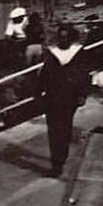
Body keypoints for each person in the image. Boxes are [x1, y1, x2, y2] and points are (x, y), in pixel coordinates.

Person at [40, 24, 86, 176]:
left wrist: (82, 94)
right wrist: (38, 93)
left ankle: (61, 158)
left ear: (70, 38)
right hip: (53, 97)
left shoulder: (78, 53)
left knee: (65, 129)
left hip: (69, 97)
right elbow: (44, 76)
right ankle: (56, 164)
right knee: (53, 130)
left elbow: (83, 75)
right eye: (61, 37)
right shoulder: (52, 54)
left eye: (66, 37)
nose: (63, 40)